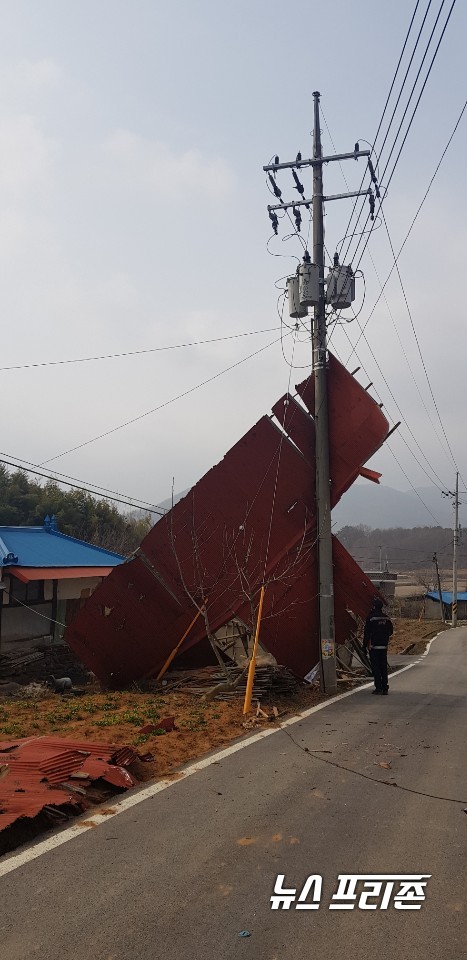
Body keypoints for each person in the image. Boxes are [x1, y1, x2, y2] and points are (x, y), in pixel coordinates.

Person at [363, 597, 393, 695]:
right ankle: (385, 688)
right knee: (383, 667)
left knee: (376, 667)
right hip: (384, 646)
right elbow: (391, 631)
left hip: (374, 646)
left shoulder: (371, 618)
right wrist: (384, 637)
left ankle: (378, 688)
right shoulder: (386, 618)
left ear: (374, 606)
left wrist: (364, 647)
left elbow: (367, 633)